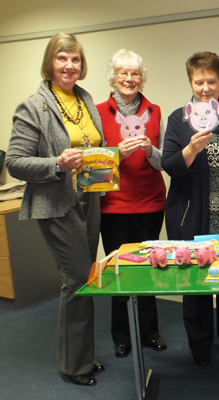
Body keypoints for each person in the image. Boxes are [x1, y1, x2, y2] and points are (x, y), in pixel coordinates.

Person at [6, 33, 105, 386]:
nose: (69, 65)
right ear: (50, 62)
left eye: (75, 59)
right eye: (62, 58)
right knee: (76, 278)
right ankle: (74, 365)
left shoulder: (85, 98)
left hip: (90, 196)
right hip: (56, 201)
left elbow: (95, 143)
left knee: (87, 277)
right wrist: (57, 164)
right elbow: (15, 162)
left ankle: (83, 355)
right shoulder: (32, 106)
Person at [161, 52, 219, 366]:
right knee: (195, 280)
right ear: (190, 82)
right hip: (192, 215)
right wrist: (191, 148)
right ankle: (199, 343)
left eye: (211, 81)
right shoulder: (179, 119)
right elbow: (169, 165)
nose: (205, 88)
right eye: (199, 81)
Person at [96, 49, 167, 358]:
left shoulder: (156, 111)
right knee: (119, 271)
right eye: (122, 73)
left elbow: (165, 162)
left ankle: (150, 332)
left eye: (134, 73)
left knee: (150, 268)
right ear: (113, 77)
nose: (129, 78)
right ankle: (122, 335)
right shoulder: (98, 112)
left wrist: (151, 151)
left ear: (142, 78)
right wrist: (117, 155)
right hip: (113, 206)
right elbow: (92, 166)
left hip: (151, 203)